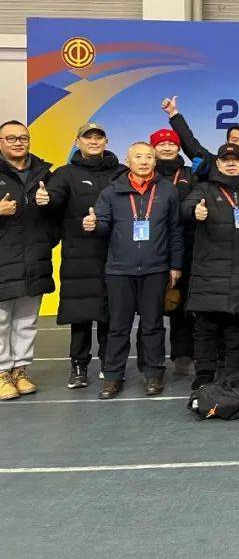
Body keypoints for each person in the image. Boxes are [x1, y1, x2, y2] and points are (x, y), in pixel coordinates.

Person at [87, 143, 184, 399]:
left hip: (156, 268)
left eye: (149, 156)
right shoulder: (111, 191)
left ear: (155, 161)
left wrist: (175, 265)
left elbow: (175, 230)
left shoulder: (168, 190)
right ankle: (112, 377)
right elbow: (103, 225)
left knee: (153, 325)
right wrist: (93, 225)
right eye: (138, 157)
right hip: (120, 270)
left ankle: (153, 374)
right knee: (118, 326)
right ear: (128, 161)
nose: (144, 161)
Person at [43, 122, 124, 389]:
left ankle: (109, 364)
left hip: (115, 252)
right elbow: (53, 201)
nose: (93, 141)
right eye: (88, 137)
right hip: (79, 254)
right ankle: (79, 366)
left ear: (106, 141)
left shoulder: (121, 172)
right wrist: (45, 199)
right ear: (78, 142)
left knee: (111, 312)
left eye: (99, 137)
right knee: (80, 314)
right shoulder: (65, 173)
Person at [182, 143, 239, 389]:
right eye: (226, 160)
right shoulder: (204, 189)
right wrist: (194, 211)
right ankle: (205, 372)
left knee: (238, 325)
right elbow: (186, 206)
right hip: (210, 267)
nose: (231, 163)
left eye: (236, 159)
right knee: (206, 325)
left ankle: (234, 371)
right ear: (217, 164)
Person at [0, 120, 55, 400]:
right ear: (0, 143)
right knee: (1, 320)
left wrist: (49, 205)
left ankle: (20, 370)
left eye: (23, 137)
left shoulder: (44, 173)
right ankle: (1, 373)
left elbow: (59, 218)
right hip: (2, 258)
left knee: (27, 319)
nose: (18, 142)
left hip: (34, 258)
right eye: (11, 138)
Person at [149, 127, 198, 375]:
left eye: (172, 144)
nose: (167, 148)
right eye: (161, 144)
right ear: (153, 149)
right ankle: (150, 362)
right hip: (151, 247)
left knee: (182, 304)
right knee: (150, 307)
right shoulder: (146, 174)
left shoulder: (190, 174)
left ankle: (183, 353)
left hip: (186, 248)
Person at [162, 95, 239, 186]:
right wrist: (174, 114)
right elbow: (191, 145)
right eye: (235, 140)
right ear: (227, 144)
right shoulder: (212, 162)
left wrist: (208, 174)